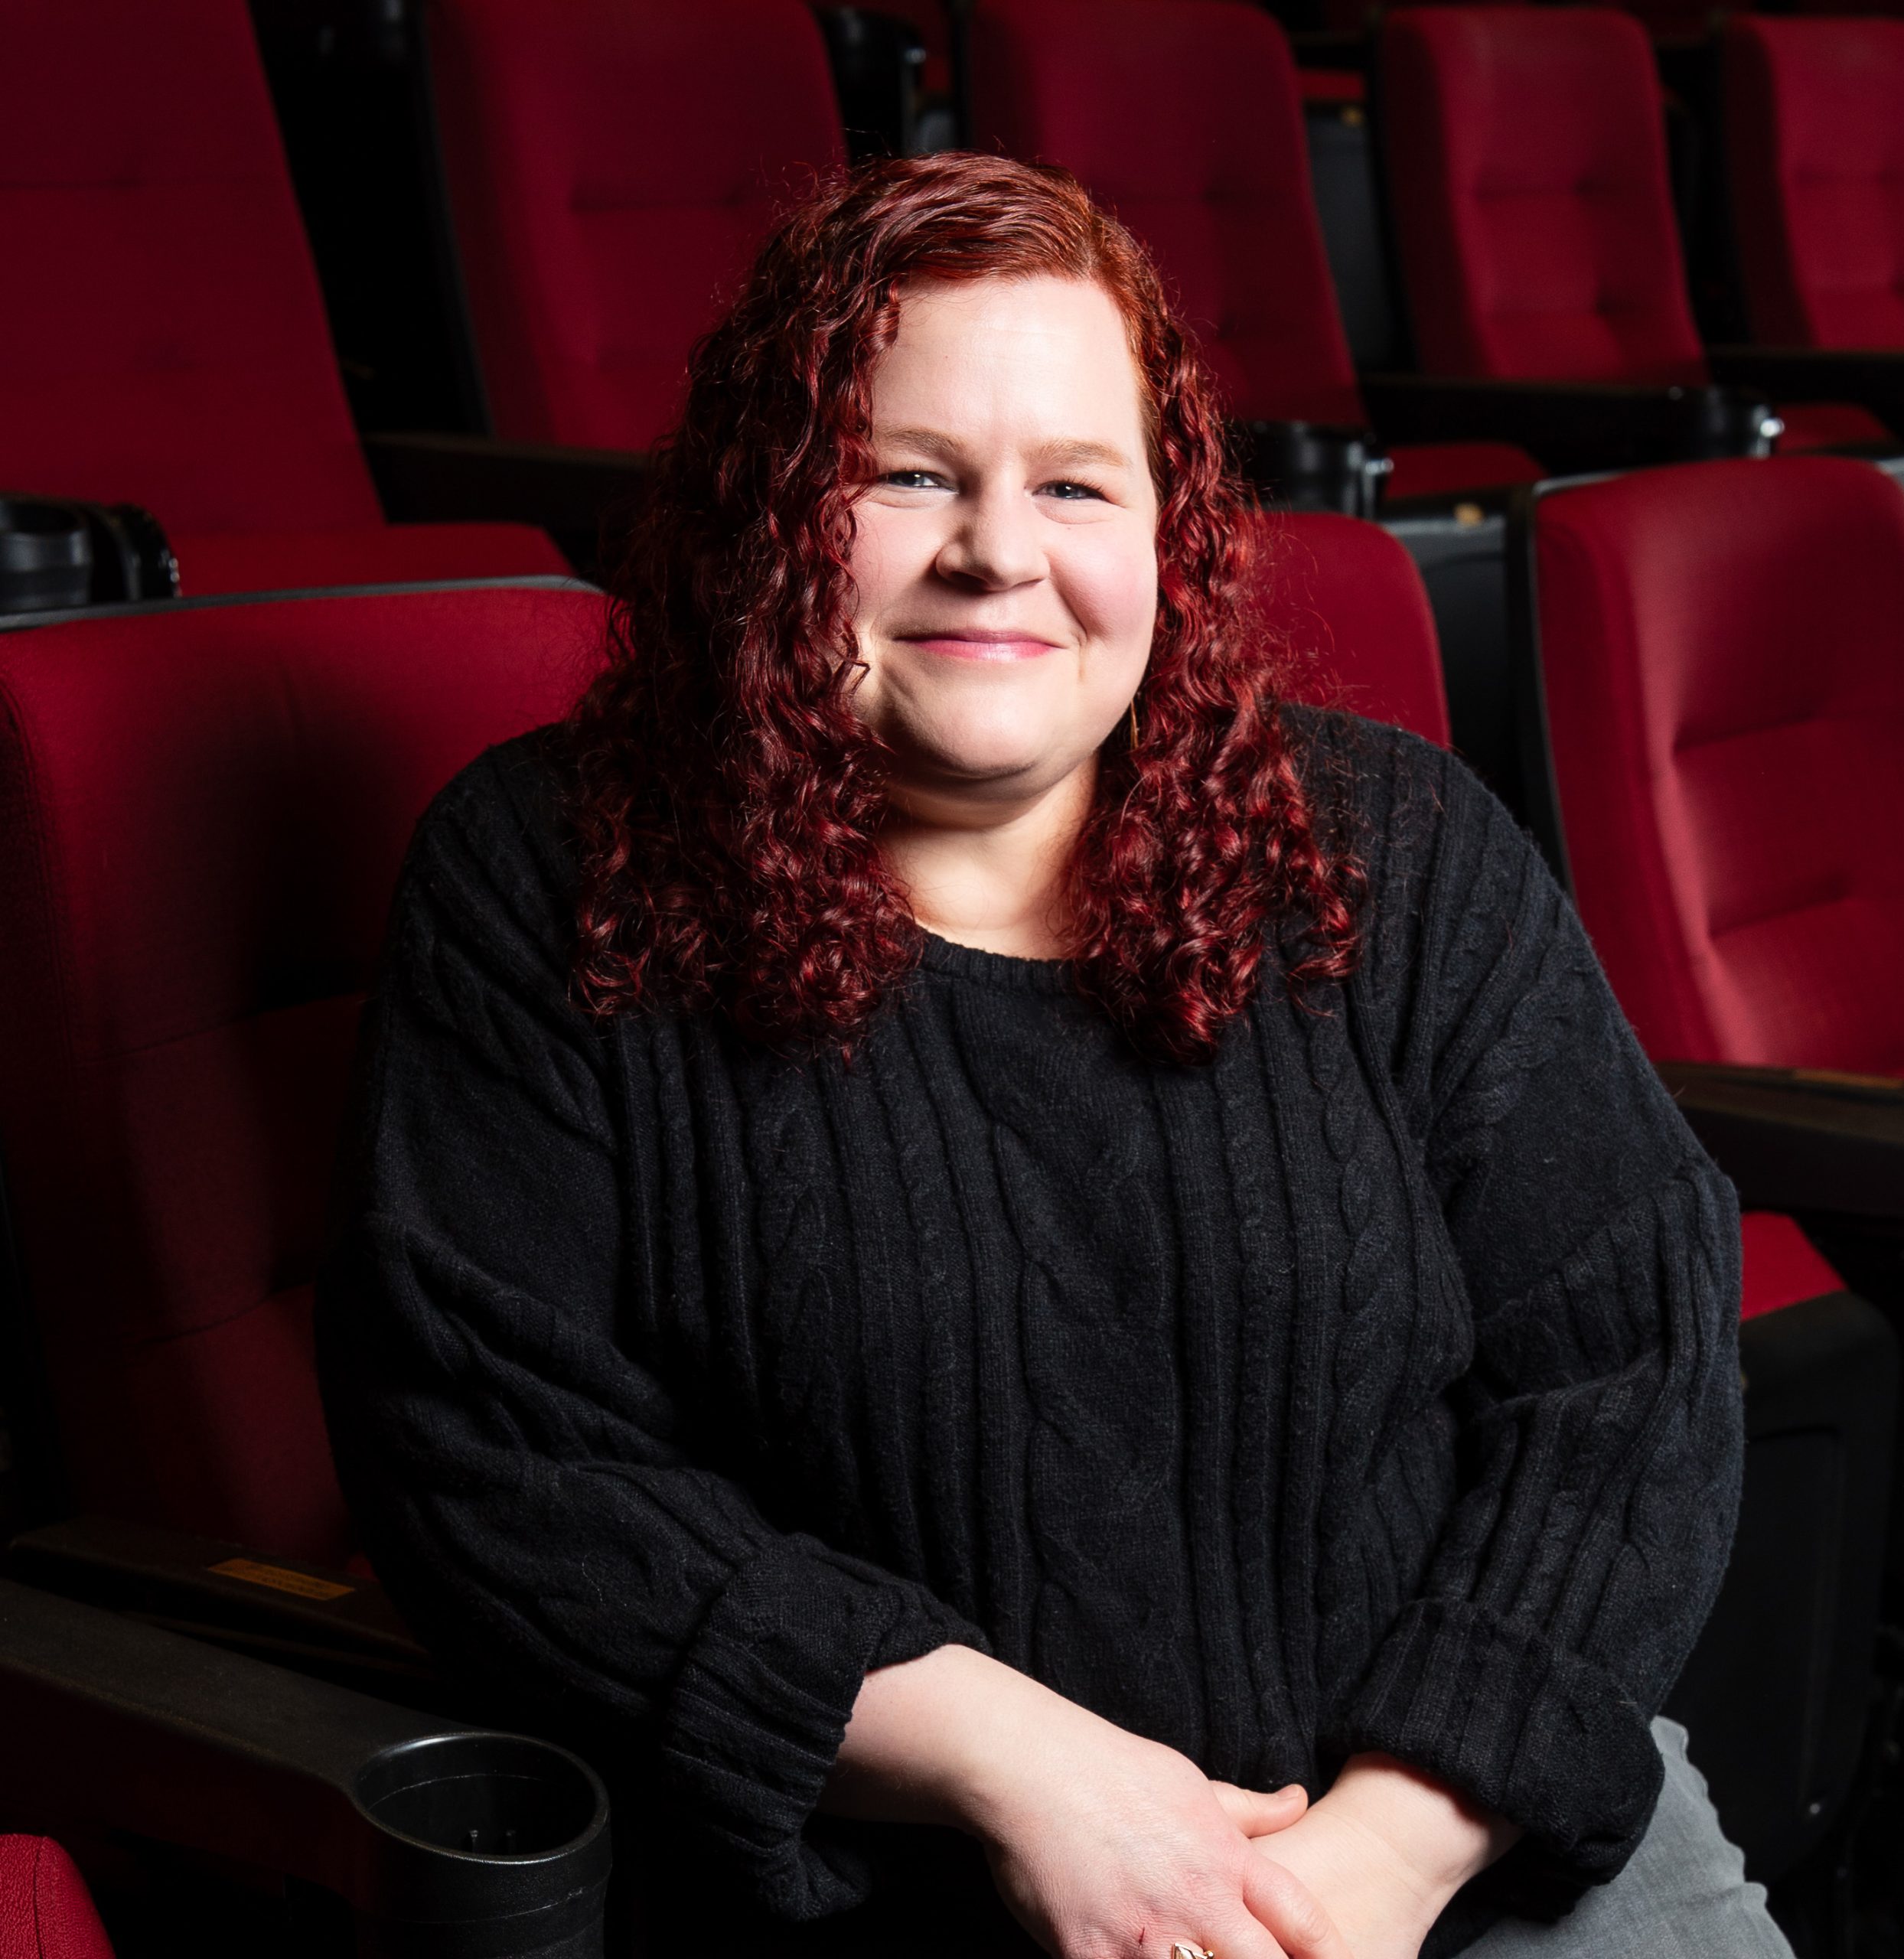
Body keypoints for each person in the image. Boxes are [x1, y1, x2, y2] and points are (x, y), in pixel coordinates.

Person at [316, 154, 1785, 1959]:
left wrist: (1375, 1863)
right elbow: (488, 1454)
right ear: (772, 510)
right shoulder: (546, 875)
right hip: (901, 1878)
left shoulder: (1391, 848)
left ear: (1163, 531)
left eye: (1072, 483)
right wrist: (1011, 1763)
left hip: (1462, 1824)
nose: (994, 550)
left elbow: (1625, 1365)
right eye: (907, 474)